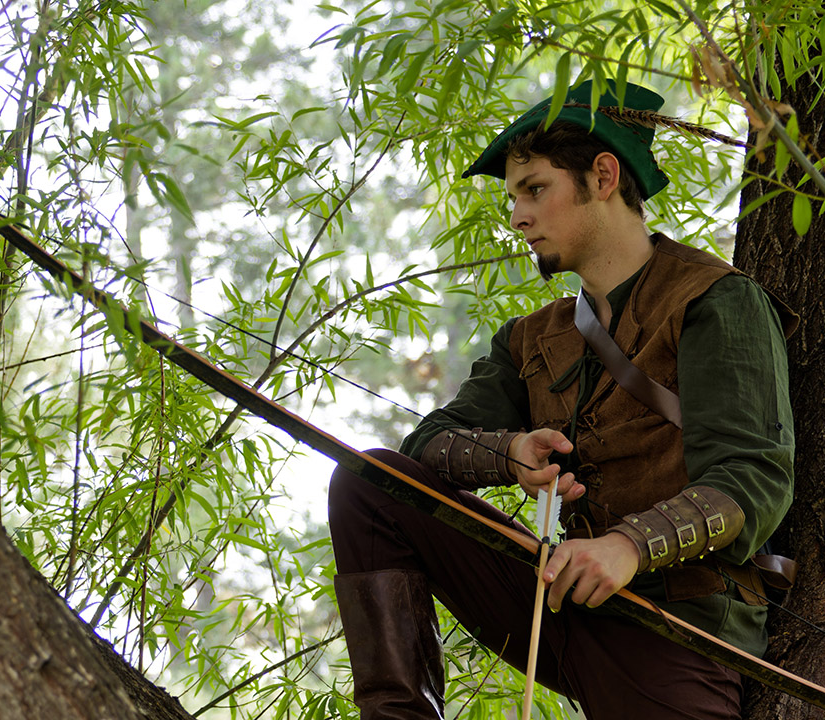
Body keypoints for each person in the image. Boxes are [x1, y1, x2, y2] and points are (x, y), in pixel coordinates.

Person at [327, 79, 797, 719]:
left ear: (604, 176)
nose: (518, 215)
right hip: (555, 602)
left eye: (535, 189)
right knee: (371, 481)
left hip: (679, 628)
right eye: (515, 196)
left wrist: (628, 546)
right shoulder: (531, 337)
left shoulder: (715, 300)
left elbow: (754, 480)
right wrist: (511, 453)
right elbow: (424, 449)